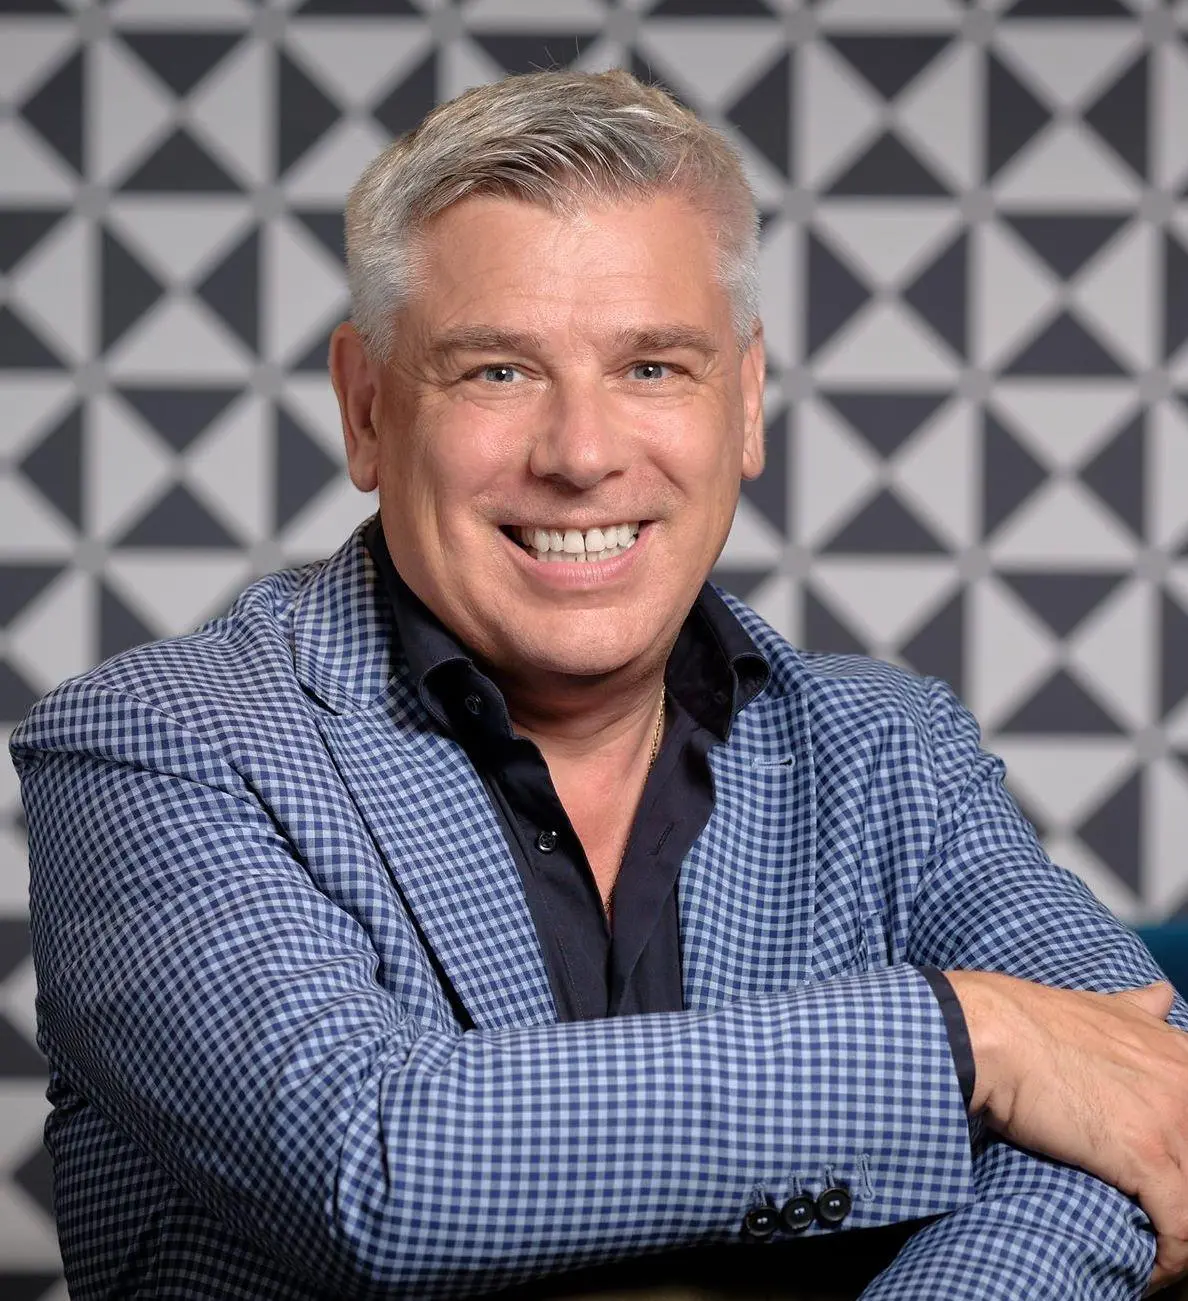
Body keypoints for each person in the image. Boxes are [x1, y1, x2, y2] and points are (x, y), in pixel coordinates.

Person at [11, 68, 1188, 1301]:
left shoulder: (892, 749)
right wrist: (969, 1037)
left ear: (746, 402)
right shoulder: (154, 744)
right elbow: (378, 1163)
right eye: (497, 371)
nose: (580, 454)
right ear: (366, 409)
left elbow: (1151, 1104)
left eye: (653, 367)